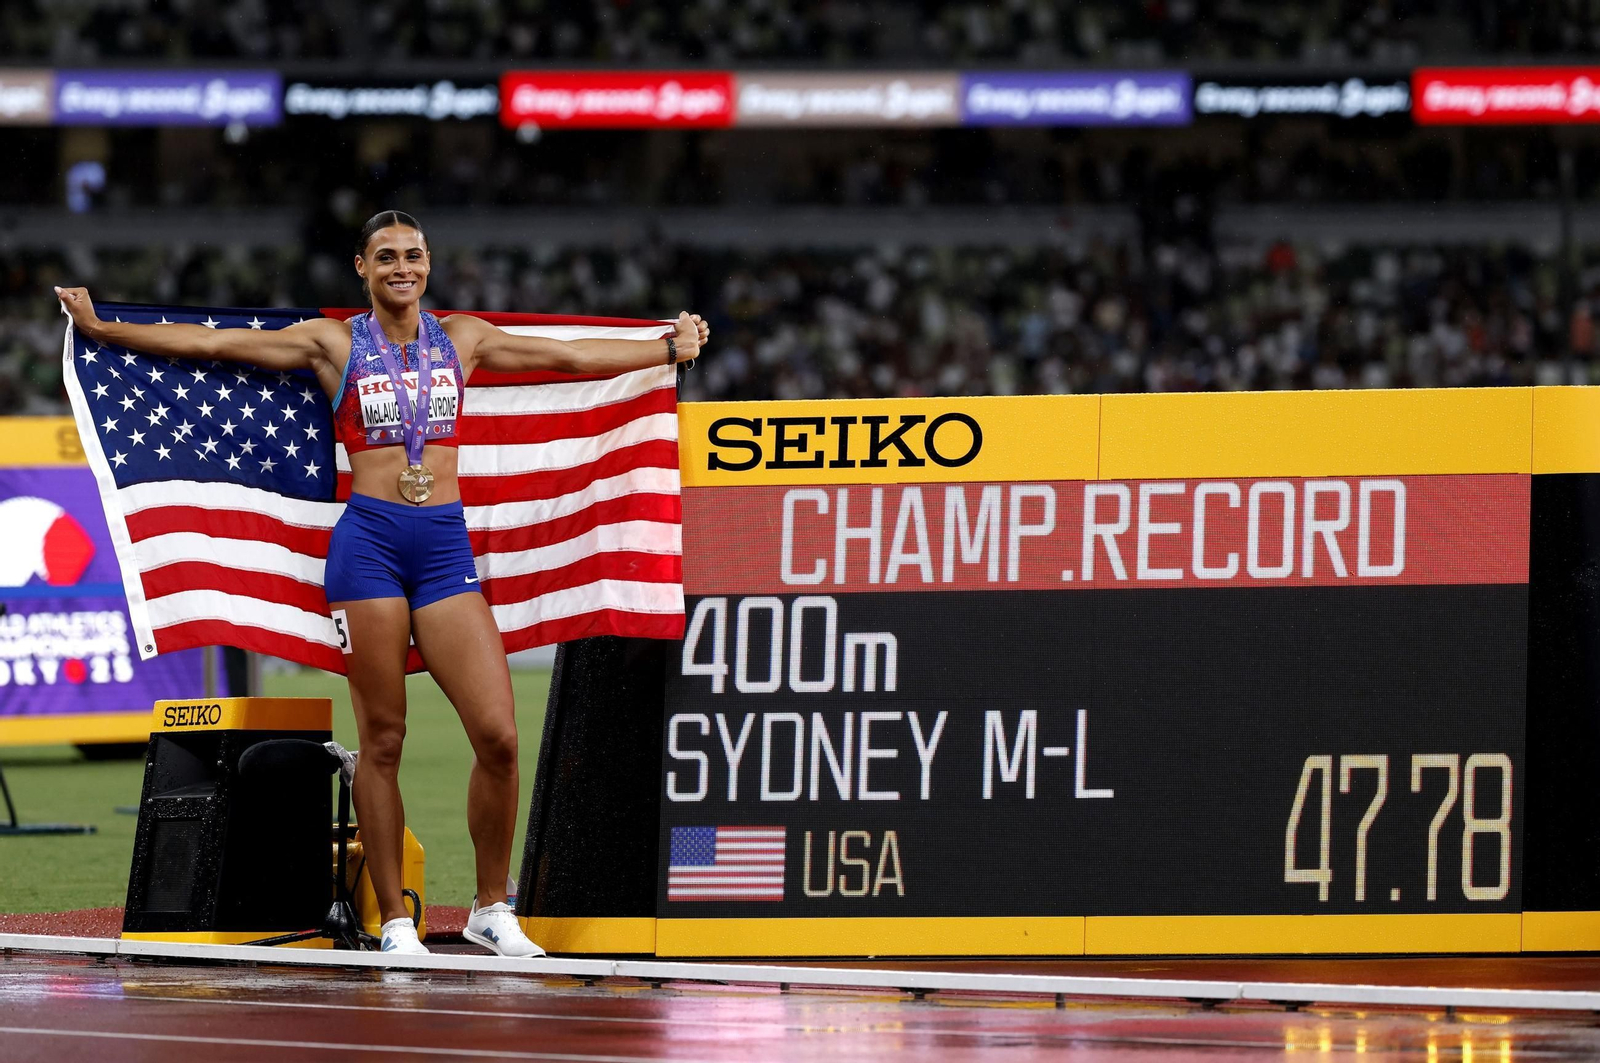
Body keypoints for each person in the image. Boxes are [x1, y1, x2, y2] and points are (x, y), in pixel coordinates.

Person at [54, 209, 708, 957]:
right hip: (368, 547)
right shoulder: (335, 342)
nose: (404, 266)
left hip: (443, 549)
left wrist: (664, 346)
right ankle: (395, 918)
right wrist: (105, 330)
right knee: (385, 739)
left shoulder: (462, 338)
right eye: (387, 256)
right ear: (361, 268)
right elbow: (212, 342)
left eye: (415, 255)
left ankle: (493, 907)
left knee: (497, 734)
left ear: (429, 264)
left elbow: (564, 356)